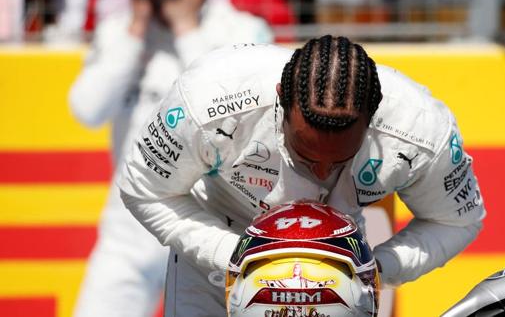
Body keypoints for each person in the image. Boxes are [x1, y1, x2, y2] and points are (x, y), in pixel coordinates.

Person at [117, 36, 486, 316]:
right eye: (306, 156)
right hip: (218, 259)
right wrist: (237, 257)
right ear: (281, 99)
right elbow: (144, 190)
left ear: (373, 117)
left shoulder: (421, 130)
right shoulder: (208, 99)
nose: (322, 173)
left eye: (340, 159)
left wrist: (378, 268)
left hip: (342, 276)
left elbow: (457, 220)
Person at [68, 0, 272, 316]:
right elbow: (87, 109)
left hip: (213, 231)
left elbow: (242, 120)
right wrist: (135, 30)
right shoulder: (120, 32)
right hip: (128, 231)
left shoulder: (240, 28)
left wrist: (184, 28)